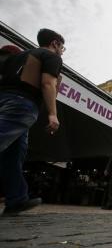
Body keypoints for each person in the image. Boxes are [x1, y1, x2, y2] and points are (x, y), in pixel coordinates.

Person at [0, 29, 65, 216]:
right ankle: (16, 199)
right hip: (22, 105)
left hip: (5, 99)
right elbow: (47, 83)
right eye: (62, 47)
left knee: (12, 157)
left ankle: (16, 199)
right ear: (55, 43)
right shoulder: (50, 56)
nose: (61, 51)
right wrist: (53, 114)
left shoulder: (18, 56)